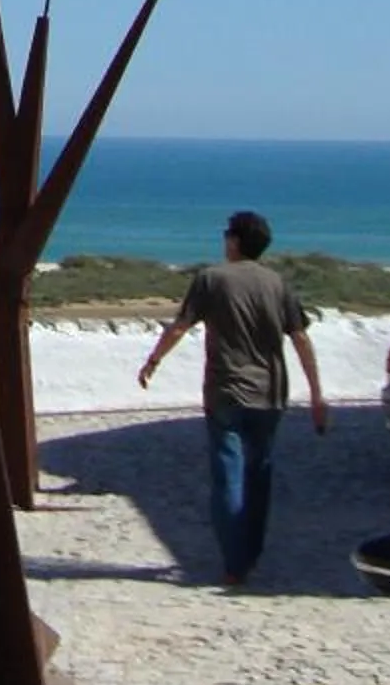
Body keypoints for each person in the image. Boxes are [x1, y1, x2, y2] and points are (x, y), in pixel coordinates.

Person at [136, 209, 329, 586]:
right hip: (270, 393)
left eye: (227, 234)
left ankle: (234, 562)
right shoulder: (277, 283)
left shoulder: (211, 279)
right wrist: (317, 394)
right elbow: (301, 338)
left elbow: (180, 326)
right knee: (259, 475)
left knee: (228, 475)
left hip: (225, 390)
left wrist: (153, 361)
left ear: (236, 241)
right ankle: (250, 554)